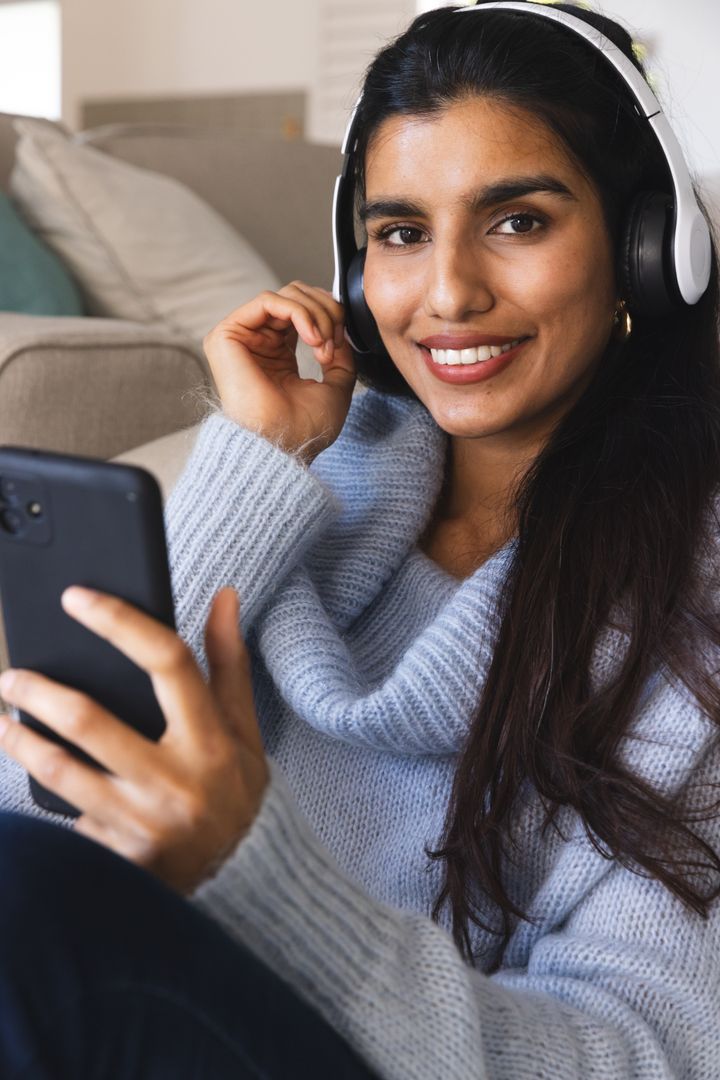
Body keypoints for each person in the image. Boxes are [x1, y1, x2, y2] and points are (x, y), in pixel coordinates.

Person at [0, 1, 718, 1076]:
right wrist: (255, 455)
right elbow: (33, 794)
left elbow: (641, 1052)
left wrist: (258, 871)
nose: (447, 295)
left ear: (644, 246)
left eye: (518, 220)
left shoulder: (690, 608)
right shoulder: (299, 487)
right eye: (400, 233)